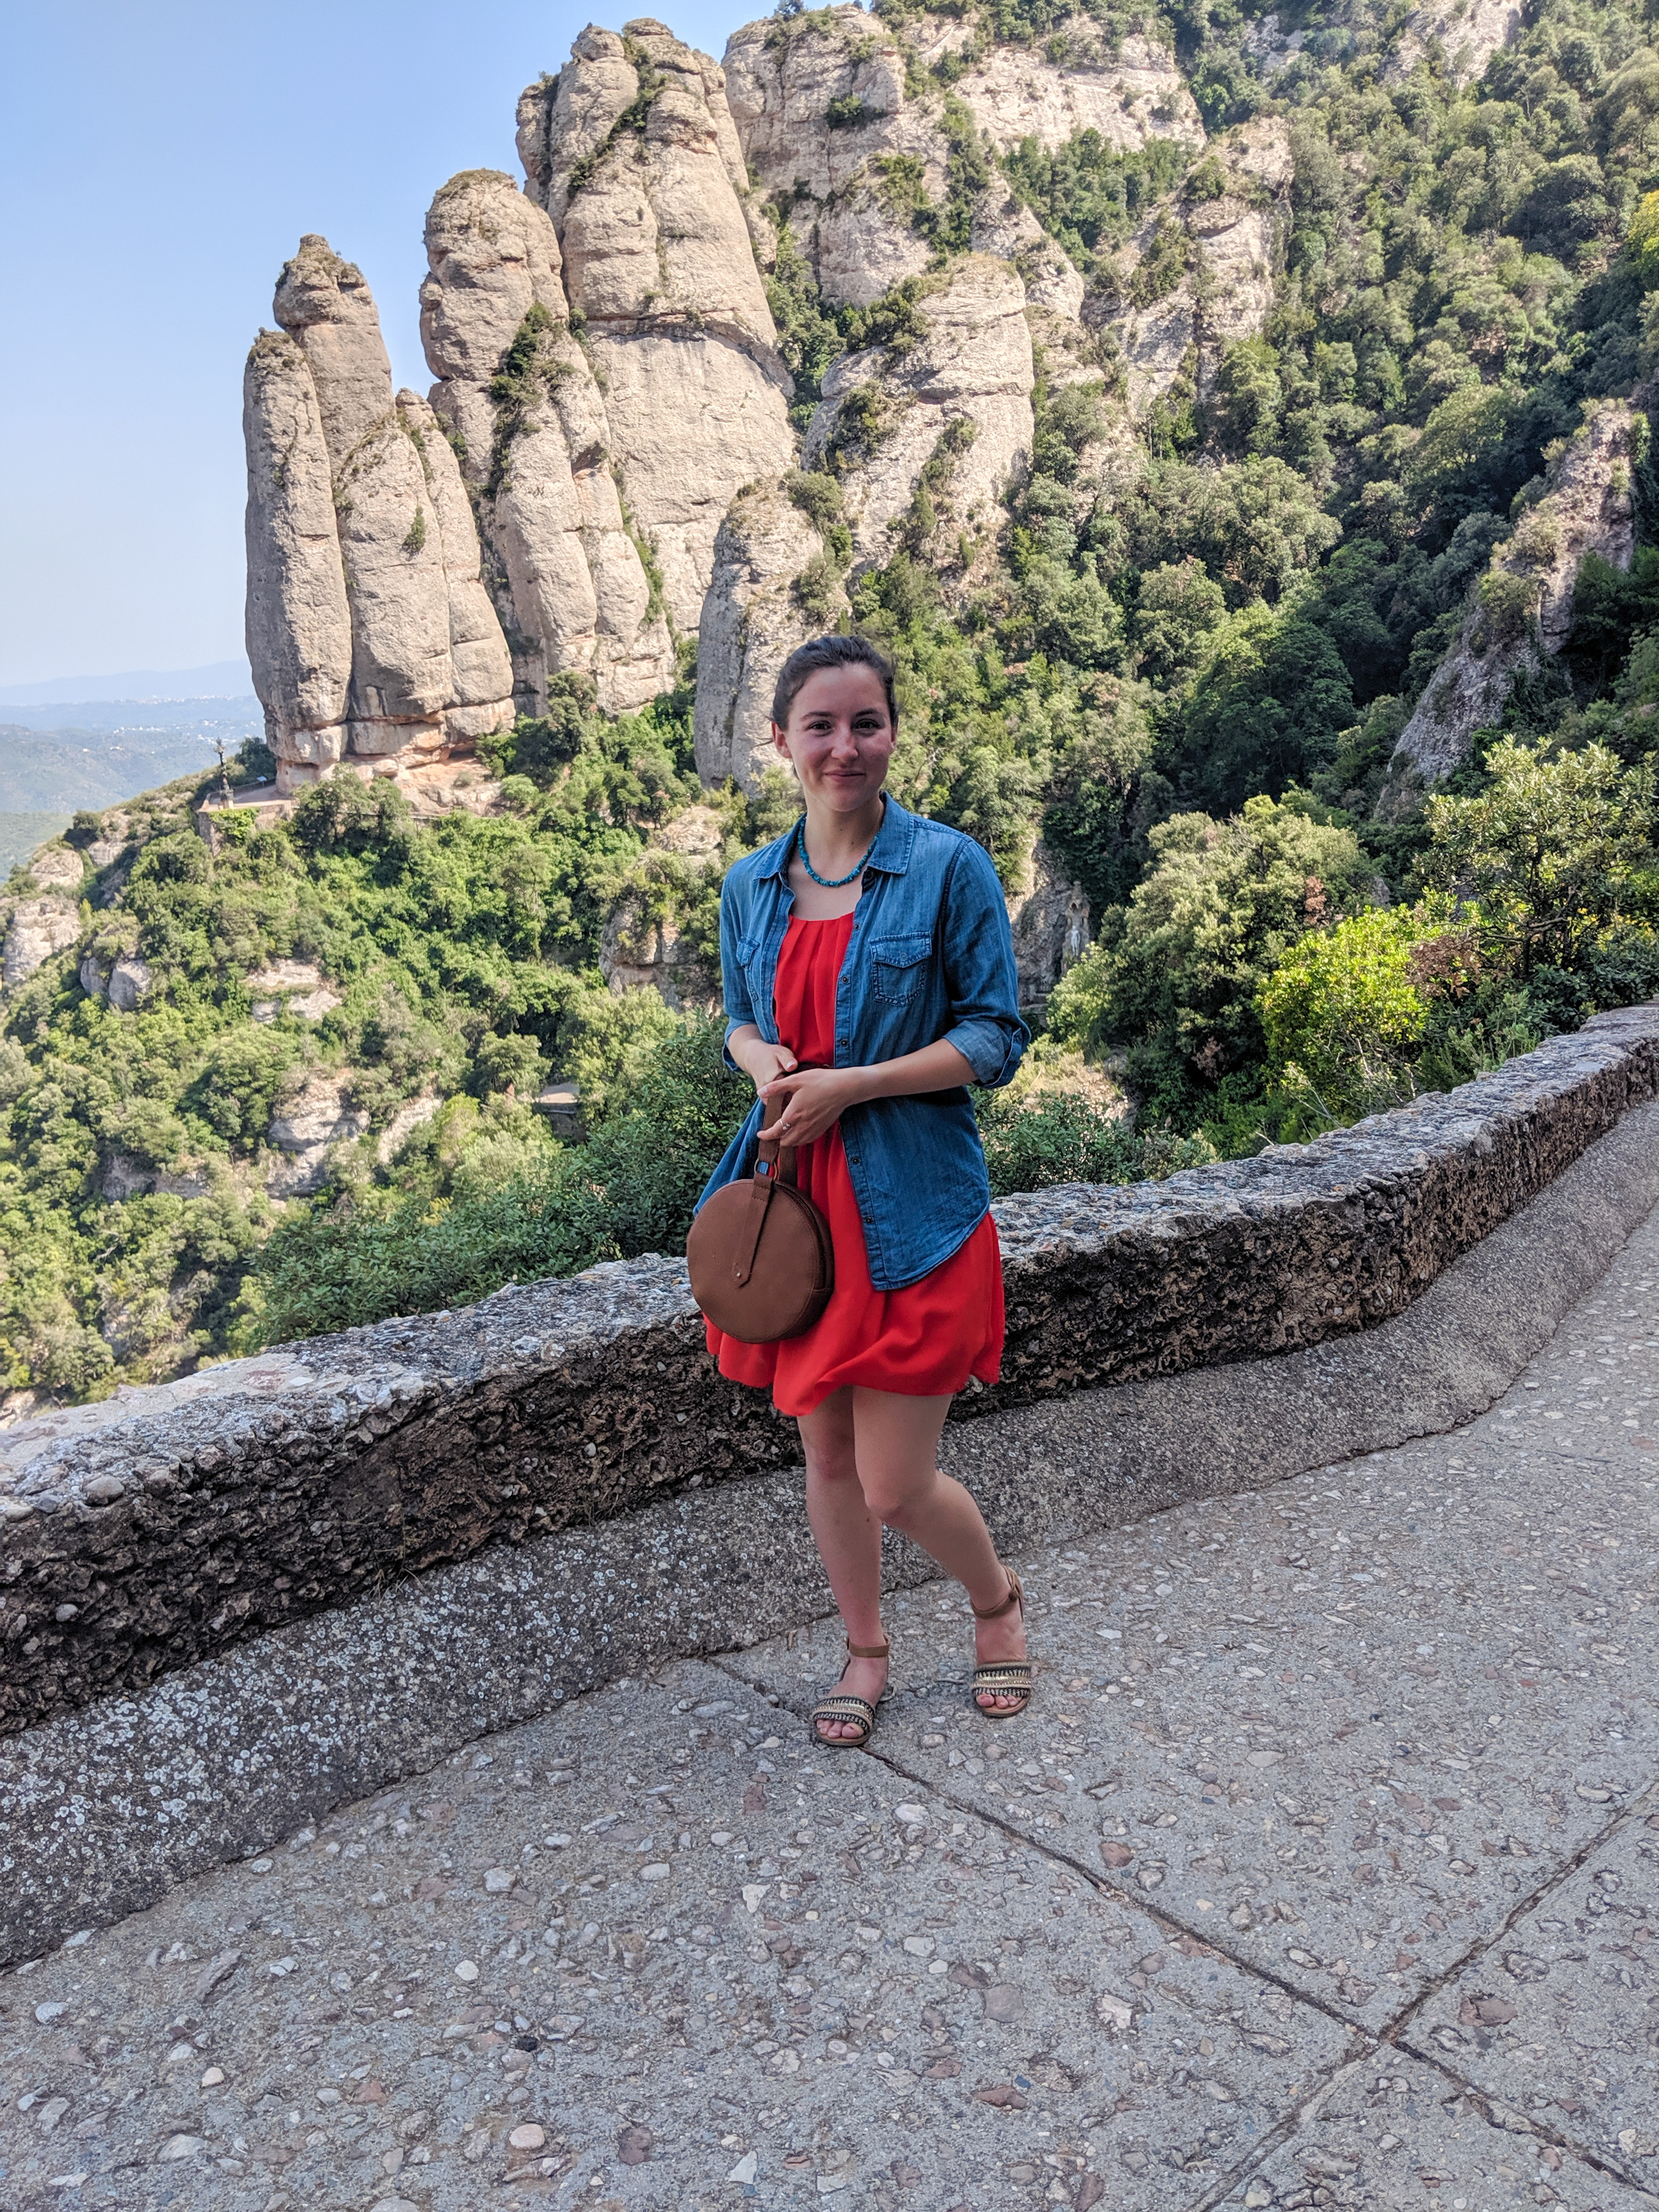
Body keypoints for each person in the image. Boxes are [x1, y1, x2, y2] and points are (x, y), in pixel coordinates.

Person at [697, 634, 1034, 1750]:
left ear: (892, 733)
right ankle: (866, 1650)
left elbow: (994, 1038)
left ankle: (996, 1602)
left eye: (866, 723)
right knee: (828, 1459)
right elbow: (740, 1019)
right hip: (796, 1213)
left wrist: (856, 1085)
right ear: (782, 740)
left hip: (912, 1209)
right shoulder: (749, 884)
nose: (845, 746)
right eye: (821, 726)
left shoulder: (947, 867)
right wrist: (761, 1061)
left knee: (895, 1482)